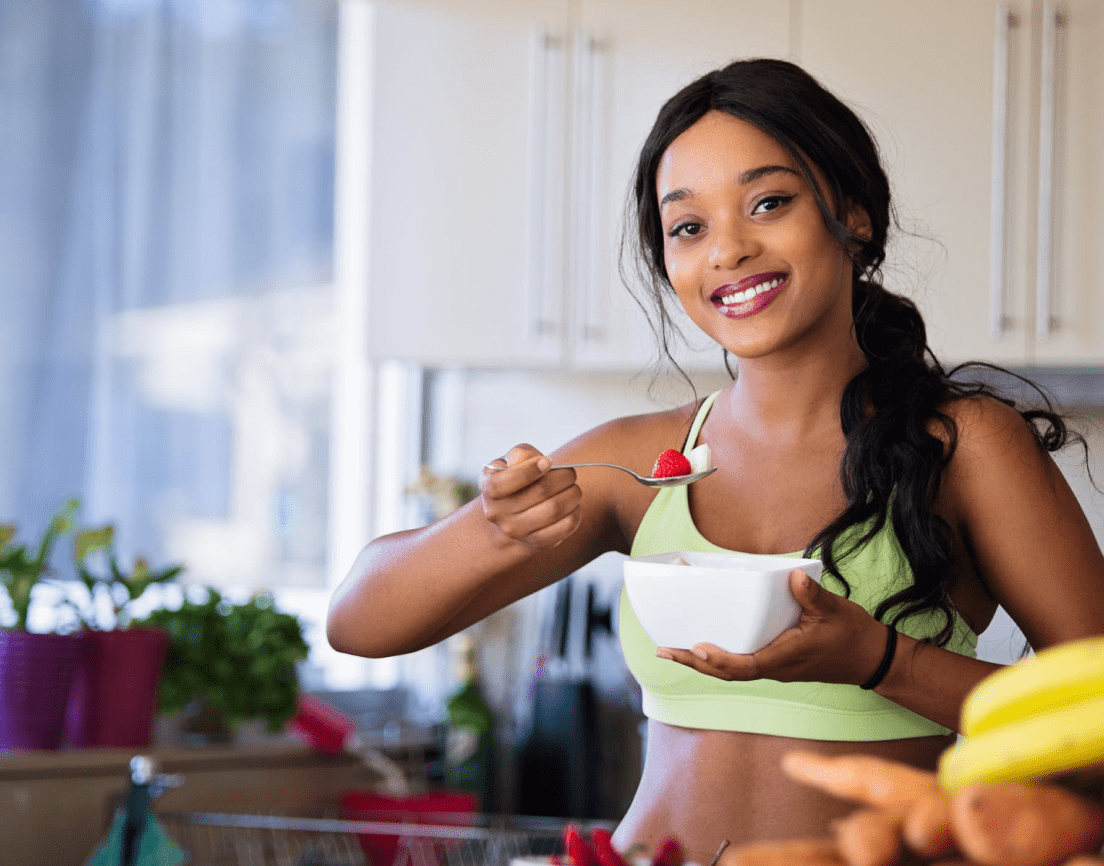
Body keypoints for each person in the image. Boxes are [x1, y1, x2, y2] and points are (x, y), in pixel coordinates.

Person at [327, 58, 1104, 853]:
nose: (727, 250)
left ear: (855, 215)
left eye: (768, 202)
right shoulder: (642, 460)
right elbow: (358, 621)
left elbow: (1097, 724)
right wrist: (494, 530)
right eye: (689, 227)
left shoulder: (963, 447)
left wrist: (878, 659)